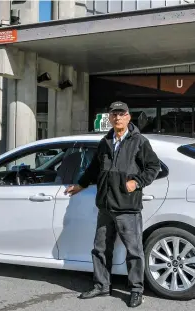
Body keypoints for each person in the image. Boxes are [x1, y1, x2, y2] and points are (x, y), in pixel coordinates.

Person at [65, 101, 161, 308]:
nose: (117, 117)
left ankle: (136, 290)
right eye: (114, 114)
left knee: (134, 251)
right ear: (109, 118)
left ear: (128, 117)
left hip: (127, 207)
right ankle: (101, 285)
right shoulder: (105, 141)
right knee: (100, 249)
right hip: (105, 206)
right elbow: (93, 168)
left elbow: (154, 167)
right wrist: (81, 185)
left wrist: (137, 182)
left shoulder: (139, 141)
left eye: (121, 114)